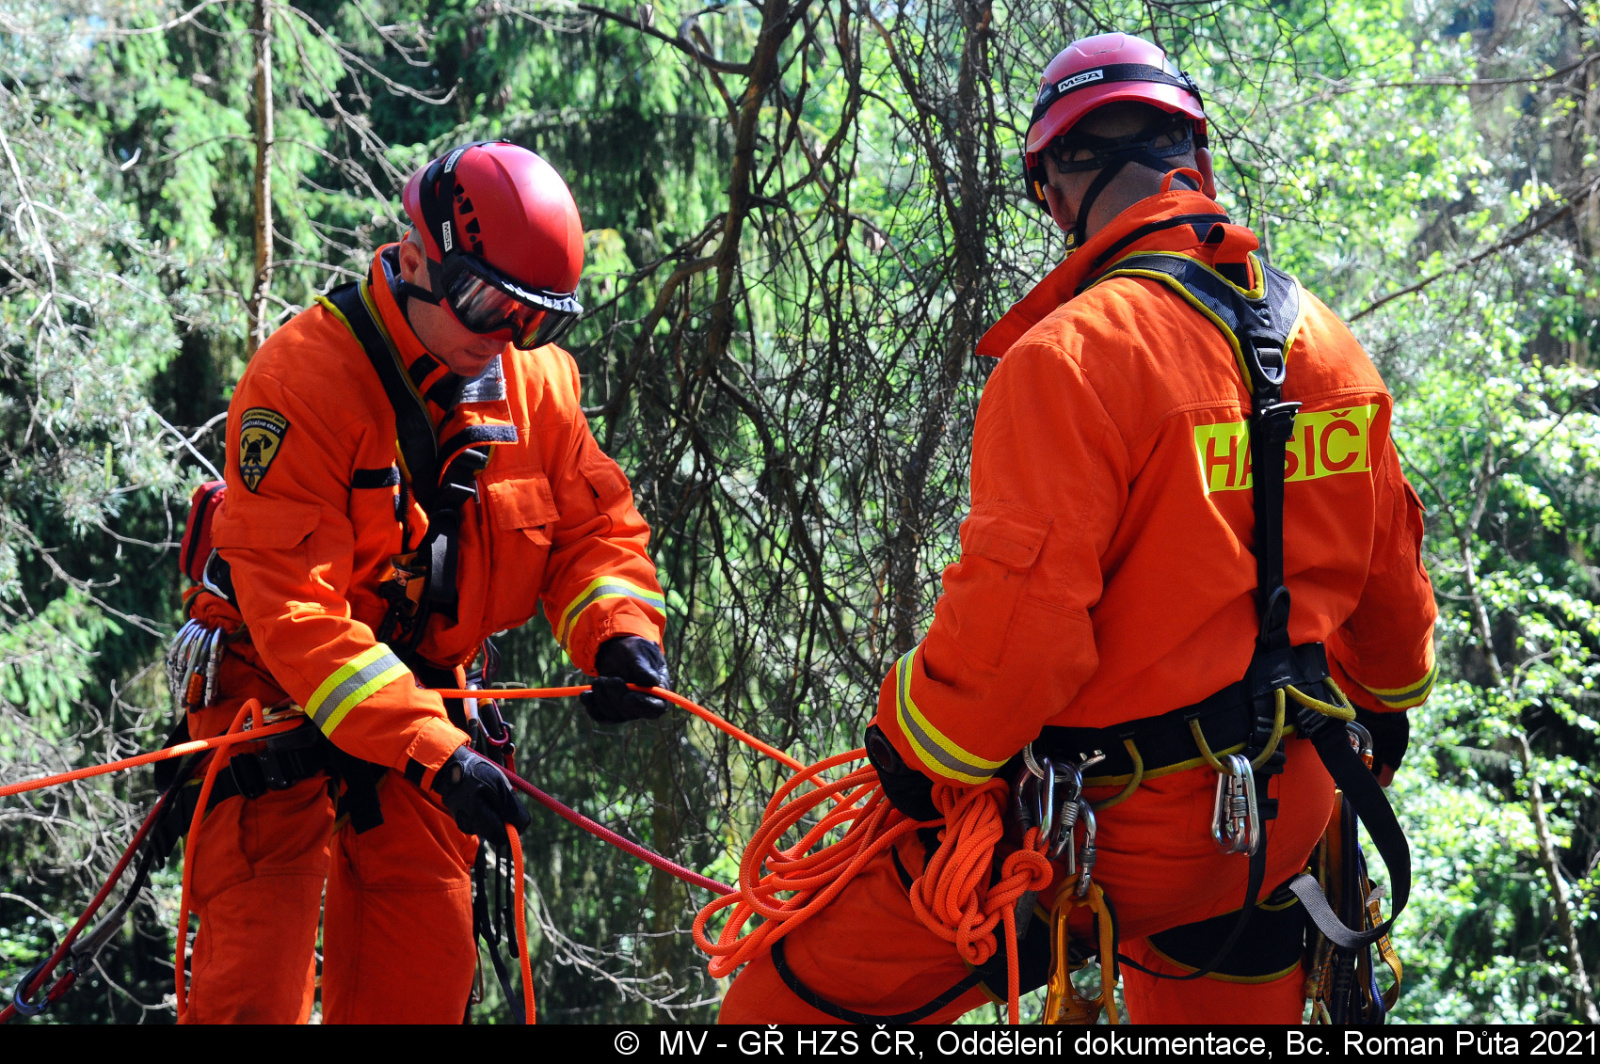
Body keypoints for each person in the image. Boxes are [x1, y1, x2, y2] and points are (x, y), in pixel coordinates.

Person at [717, 32, 1436, 1024]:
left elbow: (1016, 646)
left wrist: (912, 751)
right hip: (1289, 817)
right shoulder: (1331, 347)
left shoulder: (1068, 360)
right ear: (1193, 159)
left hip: (1113, 833)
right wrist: (1376, 714)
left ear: (1060, 183)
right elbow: (1392, 618)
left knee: (775, 1006)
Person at [176, 141, 670, 1023]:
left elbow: (593, 529)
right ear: (415, 261)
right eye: (489, 304)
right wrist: (435, 751)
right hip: (275, 700)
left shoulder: (536, 384)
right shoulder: (300, 384)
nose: (506, 338)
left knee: (422, 975)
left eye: (535, 318)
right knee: (253, 986)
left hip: (429, 709)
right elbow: (298, 619)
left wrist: (620, 630)